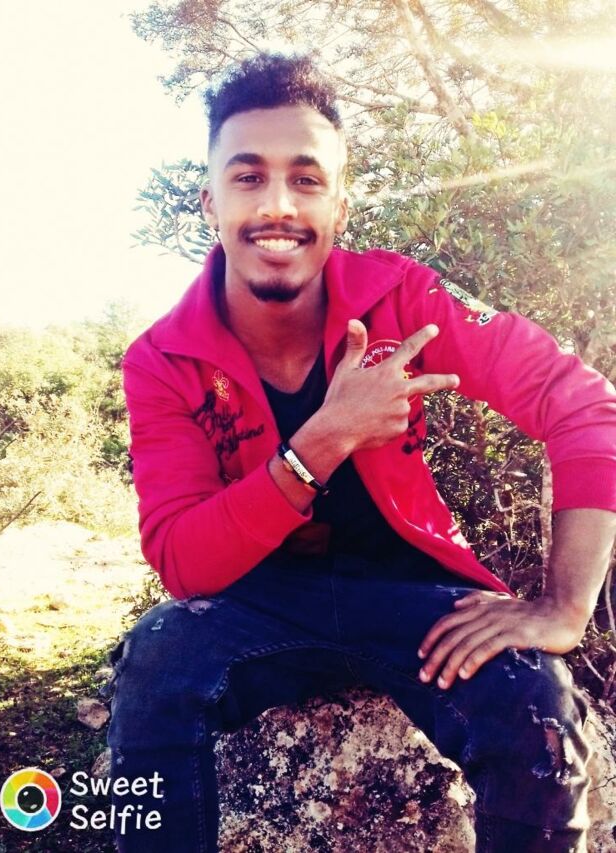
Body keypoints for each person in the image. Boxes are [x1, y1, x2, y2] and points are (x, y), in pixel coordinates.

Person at [107, 53, 616, 852]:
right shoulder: (163, 357)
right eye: (248, 177)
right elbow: (182, 560)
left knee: (535, 708)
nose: (278, 204)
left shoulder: (402, 298)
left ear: (340, 206)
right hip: (256, 601)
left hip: (415, 599)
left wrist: (563, 607)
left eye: (307, 179)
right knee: (155, 665)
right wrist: (328, 436)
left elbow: (583, 404)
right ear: (210, 201)